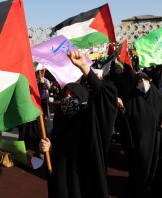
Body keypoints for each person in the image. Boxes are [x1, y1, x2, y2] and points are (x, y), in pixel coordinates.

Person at [40, 50, 119, 198]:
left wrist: (85, 68)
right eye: (65, 95)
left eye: (73, 96)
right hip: (63, 182)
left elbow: (105, 95)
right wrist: (48, 147)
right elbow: (55, 151)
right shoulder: (60, 120)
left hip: (85, 182)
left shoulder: (89, 118)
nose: (68, 99)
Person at [119, 72, 162, 198]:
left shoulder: (159, 96)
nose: (143, 82)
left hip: (157, 141)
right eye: (139, 81)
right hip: (140, 142)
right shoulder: (131, 99)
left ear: (150, 80)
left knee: (158, 170)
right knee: (141, 169)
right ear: (135, 84)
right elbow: (124, 119)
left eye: (145, 79)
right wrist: (121, 108)